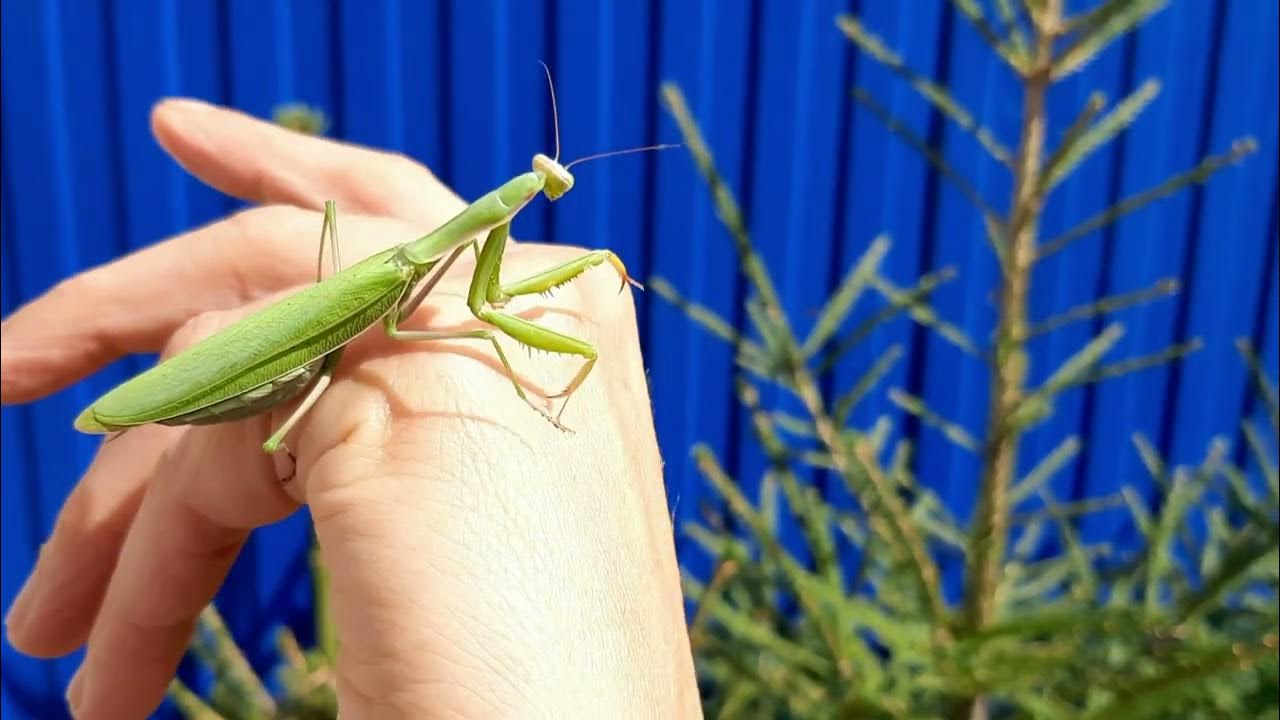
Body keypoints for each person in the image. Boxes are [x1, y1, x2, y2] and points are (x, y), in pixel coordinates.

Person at [1, 98, 701, 719]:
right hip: (277, 365)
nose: (553, 181)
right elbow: (478, 309)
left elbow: (469, 307)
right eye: (550, 179)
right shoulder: (411, 268)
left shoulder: (424, 257)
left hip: (322, 335)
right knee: (288, 433)